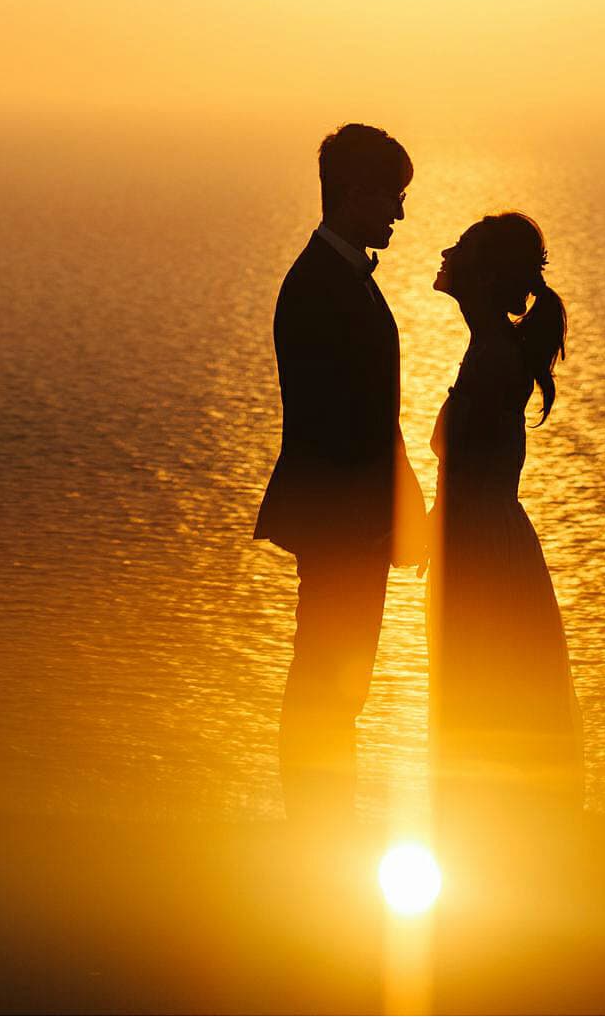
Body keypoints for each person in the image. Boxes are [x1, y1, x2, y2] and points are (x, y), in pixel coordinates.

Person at [252, 123, 428, 826]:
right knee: (327, 675)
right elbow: (341, 420)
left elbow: (373, 416)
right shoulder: (320, 287)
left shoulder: (334, 278)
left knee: (337, 680)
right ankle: (317, 824)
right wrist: (385, 517)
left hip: (354, 520)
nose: (400, 213)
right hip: (342, 523)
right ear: (353, 191)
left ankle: (326, 819)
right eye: (392, 195)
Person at [425, 212, 581, 831]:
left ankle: (490, 834)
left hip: (482, 551)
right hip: (478, 539)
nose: (445, 252)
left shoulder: (492, 356)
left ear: (483, 274)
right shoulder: (490, 349)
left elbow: (464, 462)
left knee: (482, 690)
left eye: (458, 248)